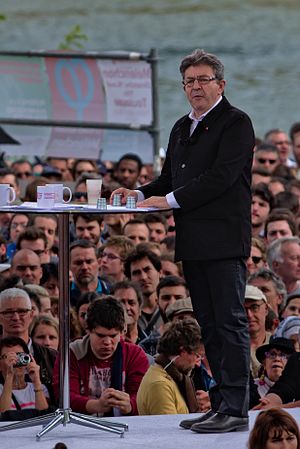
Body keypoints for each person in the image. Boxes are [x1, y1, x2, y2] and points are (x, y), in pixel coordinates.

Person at [111, 48, 255, 433]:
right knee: (207, 324)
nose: (196, 87)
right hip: (192, 240)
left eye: (203, 80)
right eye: (189, 81)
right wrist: (138, 195)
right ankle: (222, 404)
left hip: (225, 240)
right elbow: (168, 180)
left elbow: (221, 177)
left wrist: (169, 200)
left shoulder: (236, 123)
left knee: (229, 323)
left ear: (220, 84)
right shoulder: (180, 127)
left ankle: (238, 409)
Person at [52, 297, 149, 416]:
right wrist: (97, 405)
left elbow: (143, 396)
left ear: (123, 331)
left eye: (113, 336)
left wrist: (130, 405)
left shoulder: (135, 355)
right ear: (88, 330)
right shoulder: (71, 353)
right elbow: (64, 397)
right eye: (100, 336)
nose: (107, 342)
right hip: (82, 426)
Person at [137, 317, 201, 415]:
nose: (198, 363)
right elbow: (169, 428)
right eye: (197, 355)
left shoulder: (169, 377)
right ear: (183, 351)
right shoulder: (160, 385)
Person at [0, 336, 49, 413]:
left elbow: (44, 416)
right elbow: (3, 417)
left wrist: (36, 382)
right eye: (7, 356)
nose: (14, 360)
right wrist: (9, 376)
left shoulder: (40, 388)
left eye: (19, 355)